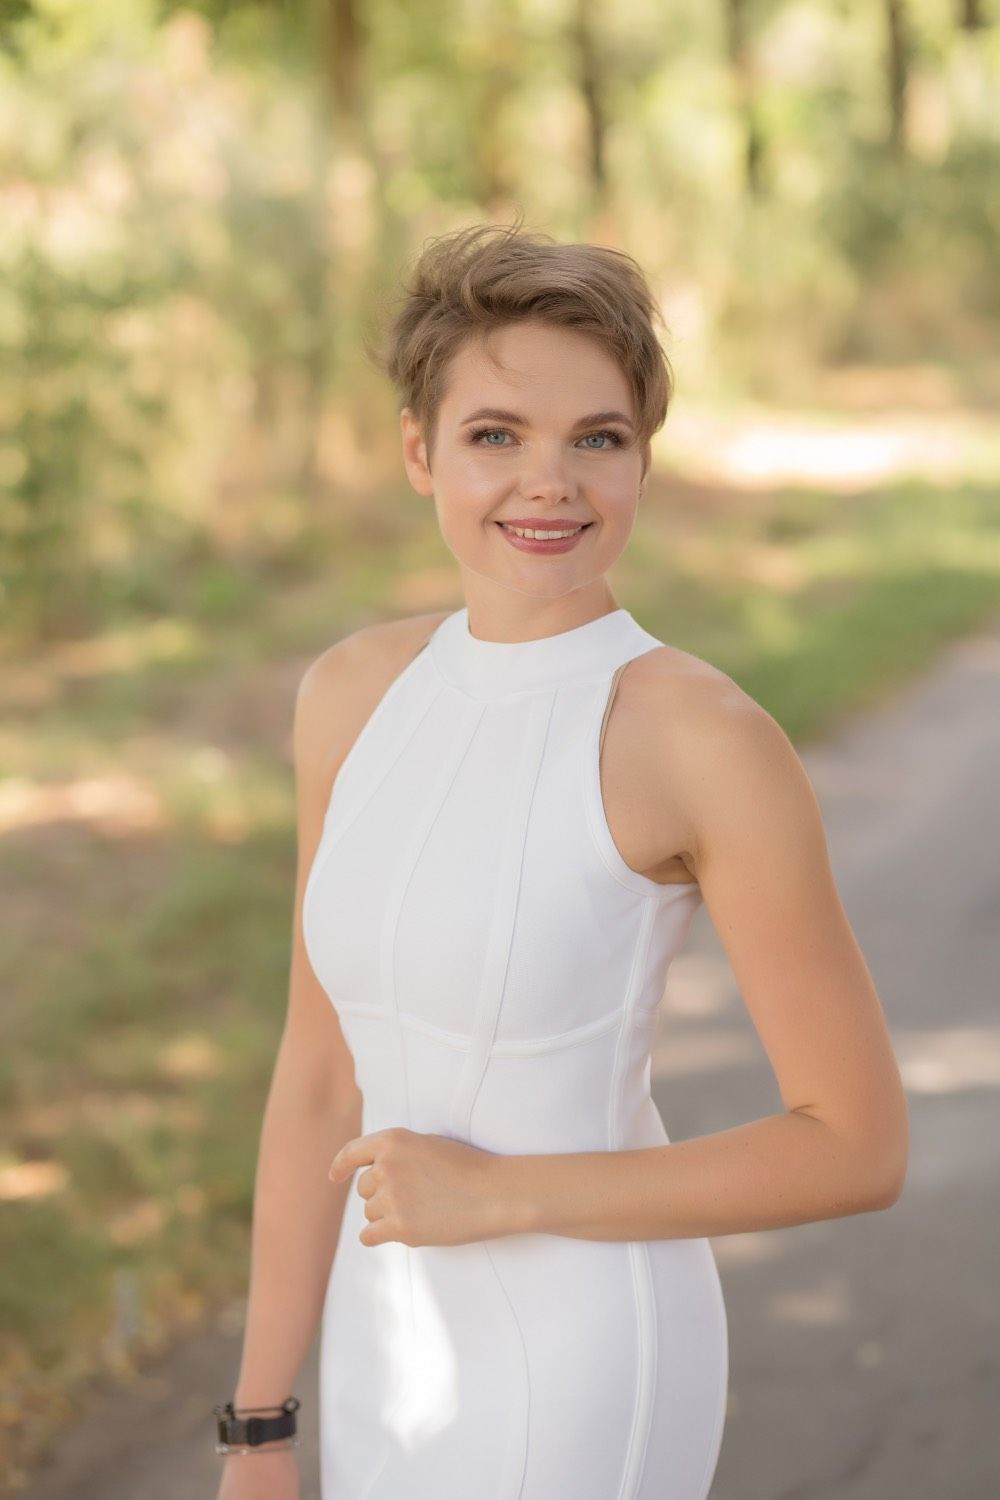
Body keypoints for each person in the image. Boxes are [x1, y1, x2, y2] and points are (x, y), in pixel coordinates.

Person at [215, 220, 909, 1500]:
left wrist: (504, 1195)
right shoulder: (352, 696)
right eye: (496, 436)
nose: (551, 485)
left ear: (642, 458)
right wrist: (257, 1426)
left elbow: (856, 1146)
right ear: (418, 451)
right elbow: (317, 1079)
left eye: (598, 438)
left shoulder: (702, 738)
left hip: (583, 1353)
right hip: (387, 1343)